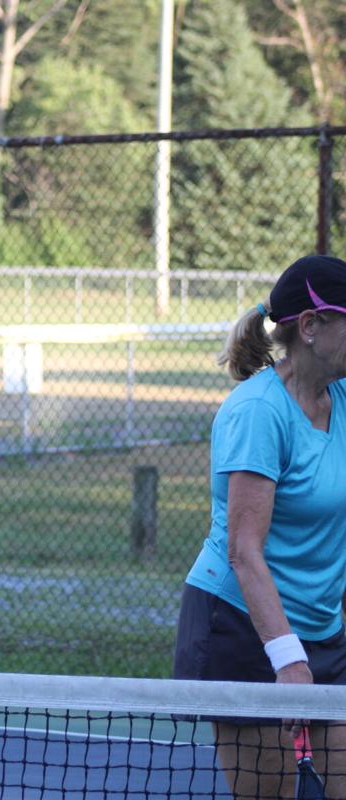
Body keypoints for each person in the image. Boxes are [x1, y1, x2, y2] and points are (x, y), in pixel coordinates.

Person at [174, 254, 346, 798]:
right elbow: (244, 550)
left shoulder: (342, 400)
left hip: (323, 630)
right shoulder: (257, 413)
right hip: (246, 629)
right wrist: (287, 657)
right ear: (311, 327)